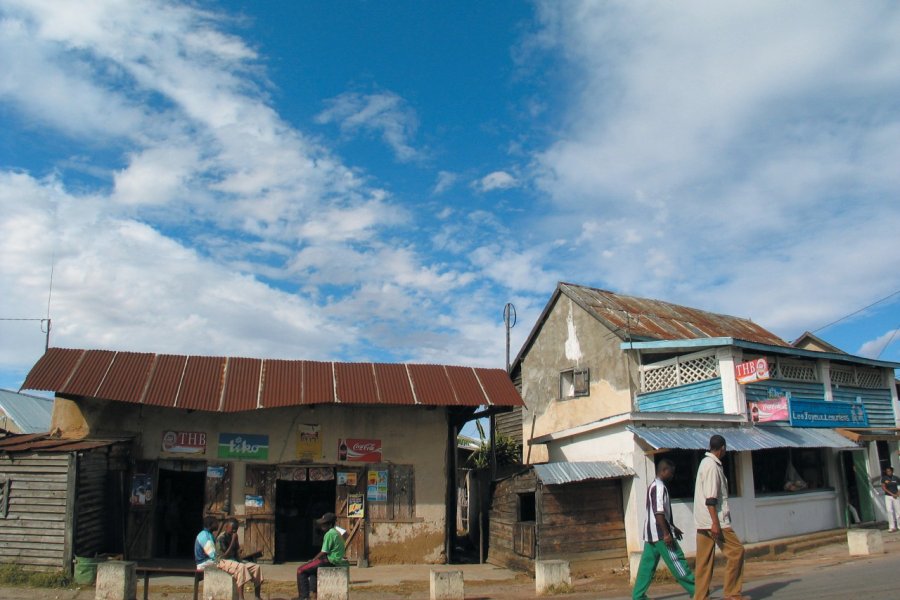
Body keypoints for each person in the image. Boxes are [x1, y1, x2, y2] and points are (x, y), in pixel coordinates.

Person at [693, 435, 747, 600]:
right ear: (722, 448)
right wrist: (715, 523)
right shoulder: (711, 466)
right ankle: (732, 593)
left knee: (703, 561)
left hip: (703, 522)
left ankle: (700, 596)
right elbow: (711, 499)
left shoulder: (705, 463)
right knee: (737, 552)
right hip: (714, 521)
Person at [632, 458, 695, 600]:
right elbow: (658, 512)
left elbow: (660, 513)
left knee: (646, 568)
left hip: (651, 534)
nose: (672, 476)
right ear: (664, 471)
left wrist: (673, 527)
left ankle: (638, 596)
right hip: (661, 534)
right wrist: (667, 533)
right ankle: (696, 591)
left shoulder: (653, 485)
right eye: (671, 473)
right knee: (677, 561)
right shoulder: (659, 487)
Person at [195, 516, 263, 600]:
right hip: (217, 561)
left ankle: (257, 596)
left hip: (232, 561)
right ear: (226, 527)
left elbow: (236, 552)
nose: (234, 531)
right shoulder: (219, 538)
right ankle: (241, 598)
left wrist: (238, 549)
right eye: (232, 529)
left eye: (236, 529)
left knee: (256, 567)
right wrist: (232, 541)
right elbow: (220, 556)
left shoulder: (215, 535)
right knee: (241, 568)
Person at [296, 512, 348, 600]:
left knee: (301, 570)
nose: (322, 526)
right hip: (336, 559)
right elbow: (346, 535)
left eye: (324, 524)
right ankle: (314, 594)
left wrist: (313, 560)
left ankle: (304, 597)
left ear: (330, 524)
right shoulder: (336, 531)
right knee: (312, 570)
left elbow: (324, 552)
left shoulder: (329, 534)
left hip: (330, 560)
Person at [881, 466, 900, 531]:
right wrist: (892, 494)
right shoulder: (884, 478)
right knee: (889, 511)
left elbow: (899, 486)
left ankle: (899, 525)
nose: (888, 472)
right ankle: (892, 527)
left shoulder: (896, 478)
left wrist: (897, 493)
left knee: (898, 511)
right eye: (887, 471)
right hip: (888, 496)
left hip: (896, 496)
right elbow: (883, 488)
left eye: (889, 471)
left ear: (892, 471)